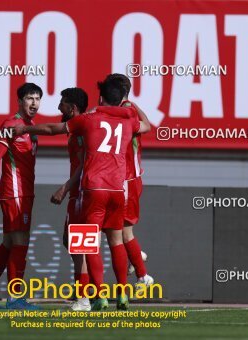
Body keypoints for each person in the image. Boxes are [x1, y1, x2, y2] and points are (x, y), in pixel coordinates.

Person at [12, 77, 150, 310]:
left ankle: (93, 296)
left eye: (62, 103)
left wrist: (25, 128)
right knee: (115, 242)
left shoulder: (88, 120)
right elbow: (146, 126)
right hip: (118, 189)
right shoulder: (127, 121)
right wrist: (131, 105)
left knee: (87, 245)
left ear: (100, 98)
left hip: (92, 189)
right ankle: (123, 294)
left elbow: (52, 129)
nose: (58, 107)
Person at [0, 83, 42, 310]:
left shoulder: (30, 126)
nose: (34, 103)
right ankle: (15, 299)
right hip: (14, 192)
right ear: (20, 101)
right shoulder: (10, 124)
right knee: (20, 242)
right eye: (30, 98)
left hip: (25, 192)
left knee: (9, 244)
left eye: (37, 98)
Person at [105, 74, 154, 289]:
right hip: (123, 179)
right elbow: (147, 125)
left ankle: (143, 275)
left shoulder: (125, 111)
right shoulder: (128, 109)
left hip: (126, 180)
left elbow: (146, 126)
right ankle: (135, 257)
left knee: (122, 232)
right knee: (116, 231)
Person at [51, 88, 91, 311]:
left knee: (79, 247)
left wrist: (65, 188)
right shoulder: (79, 128)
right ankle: (88, 293)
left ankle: (84, 298)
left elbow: (85, 164)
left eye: (62, 103)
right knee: (72, 243)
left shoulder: (82, 128)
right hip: (79, 192)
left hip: (81, 193)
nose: (59, 107)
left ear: (72, 108)